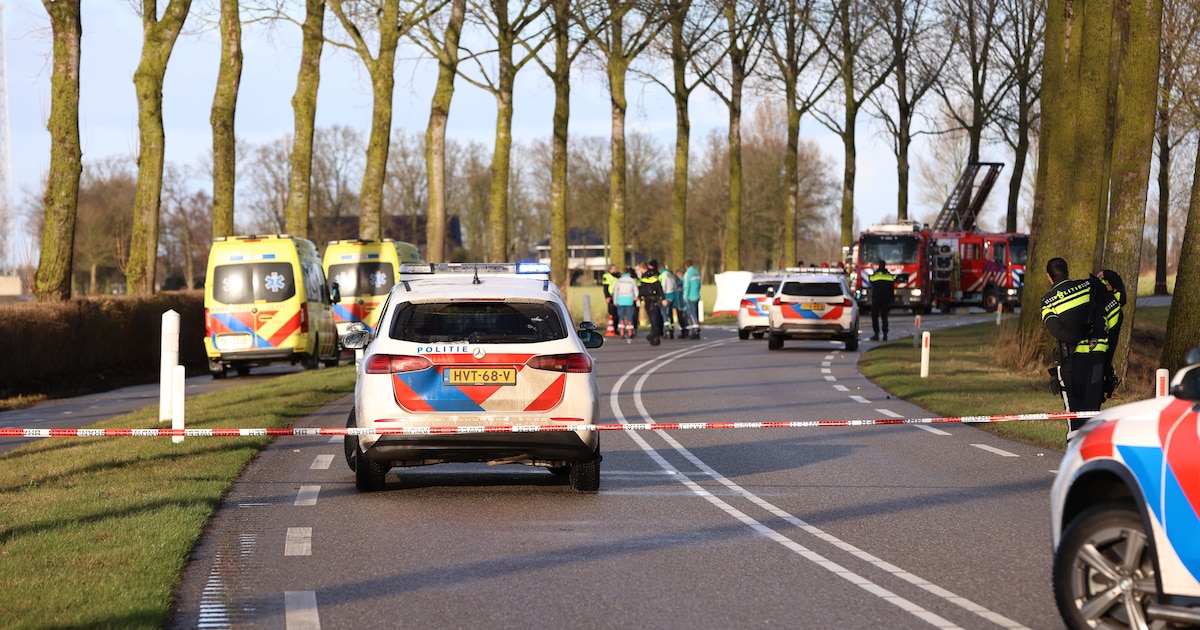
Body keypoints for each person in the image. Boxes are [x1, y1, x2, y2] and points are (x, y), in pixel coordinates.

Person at [1041, 257, 1109, 439]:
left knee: (1074, 414)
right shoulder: (1087, 286)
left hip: (1071, 363)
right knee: (1093, 410)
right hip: (1096, 358)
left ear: (1049, 277)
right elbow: (1107, 291)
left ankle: (1076, 456)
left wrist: (1079, 337)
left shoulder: (1048, 301)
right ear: (1067, 272)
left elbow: (1058, 331)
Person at [1096, 268, 1127, 400]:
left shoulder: (1094, 302)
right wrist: (1107, 274)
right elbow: (1121, 292)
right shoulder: (1114, 301)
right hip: (1105, 349)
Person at [637, 260, 666, 346]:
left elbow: (657, 287)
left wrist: (663, 298)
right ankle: (653, 335)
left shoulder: (650, 276)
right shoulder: (646, 276)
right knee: (653, 318)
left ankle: (654, 335)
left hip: (653, 300)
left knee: (654, 319)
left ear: (642, 268)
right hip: (649, 300)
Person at [868, 260, 895, 341]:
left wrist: (876, 272)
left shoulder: (876, 275)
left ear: (879, 265)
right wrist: (891, 299)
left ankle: (876, 334)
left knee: (874, 316)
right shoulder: (889, 276)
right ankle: (885, 334)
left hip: (876, 299)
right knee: (884, 317)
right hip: (886, 299)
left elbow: (871, 280)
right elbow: (892, 288)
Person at [613, 267, 639, 342]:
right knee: (630, 317)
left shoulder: (619, 281)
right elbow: (636, 292)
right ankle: (630, 333)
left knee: (621, 317)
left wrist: (615, 301)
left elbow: (615, 292)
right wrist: (637, 302)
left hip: (620, 300)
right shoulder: (632, 281)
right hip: (629, 300)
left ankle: (622, 333)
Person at [682, 259, 702, 339]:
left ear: (686, 266)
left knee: (692, 314)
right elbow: (699, 284)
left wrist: (685, 297)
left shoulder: (688, 274)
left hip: (690, 297)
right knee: (696, 314)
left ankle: (695, 330)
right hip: (696, 295)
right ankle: (696, 328)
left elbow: (686, 286)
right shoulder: (697, 272)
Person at [659, 263, 679, 338]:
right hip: (672, 296)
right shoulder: (670, 275)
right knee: (670, 314)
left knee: (665, 314)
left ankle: (667, 331)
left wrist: (662, 297)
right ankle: (671, 329)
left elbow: (663, 286)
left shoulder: (663, 275)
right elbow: (675, 285)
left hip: (666, 296)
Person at [601, 264, 619, 333]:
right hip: (611, 296)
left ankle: (615, 328)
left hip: (618, 296)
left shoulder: (618, 275)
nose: (615, 270)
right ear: (610, 269)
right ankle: (612, 328)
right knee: (612, 312)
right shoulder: (606, 276)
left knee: (617, 313)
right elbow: (605, 288)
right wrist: (607, 297)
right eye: (614, 268)